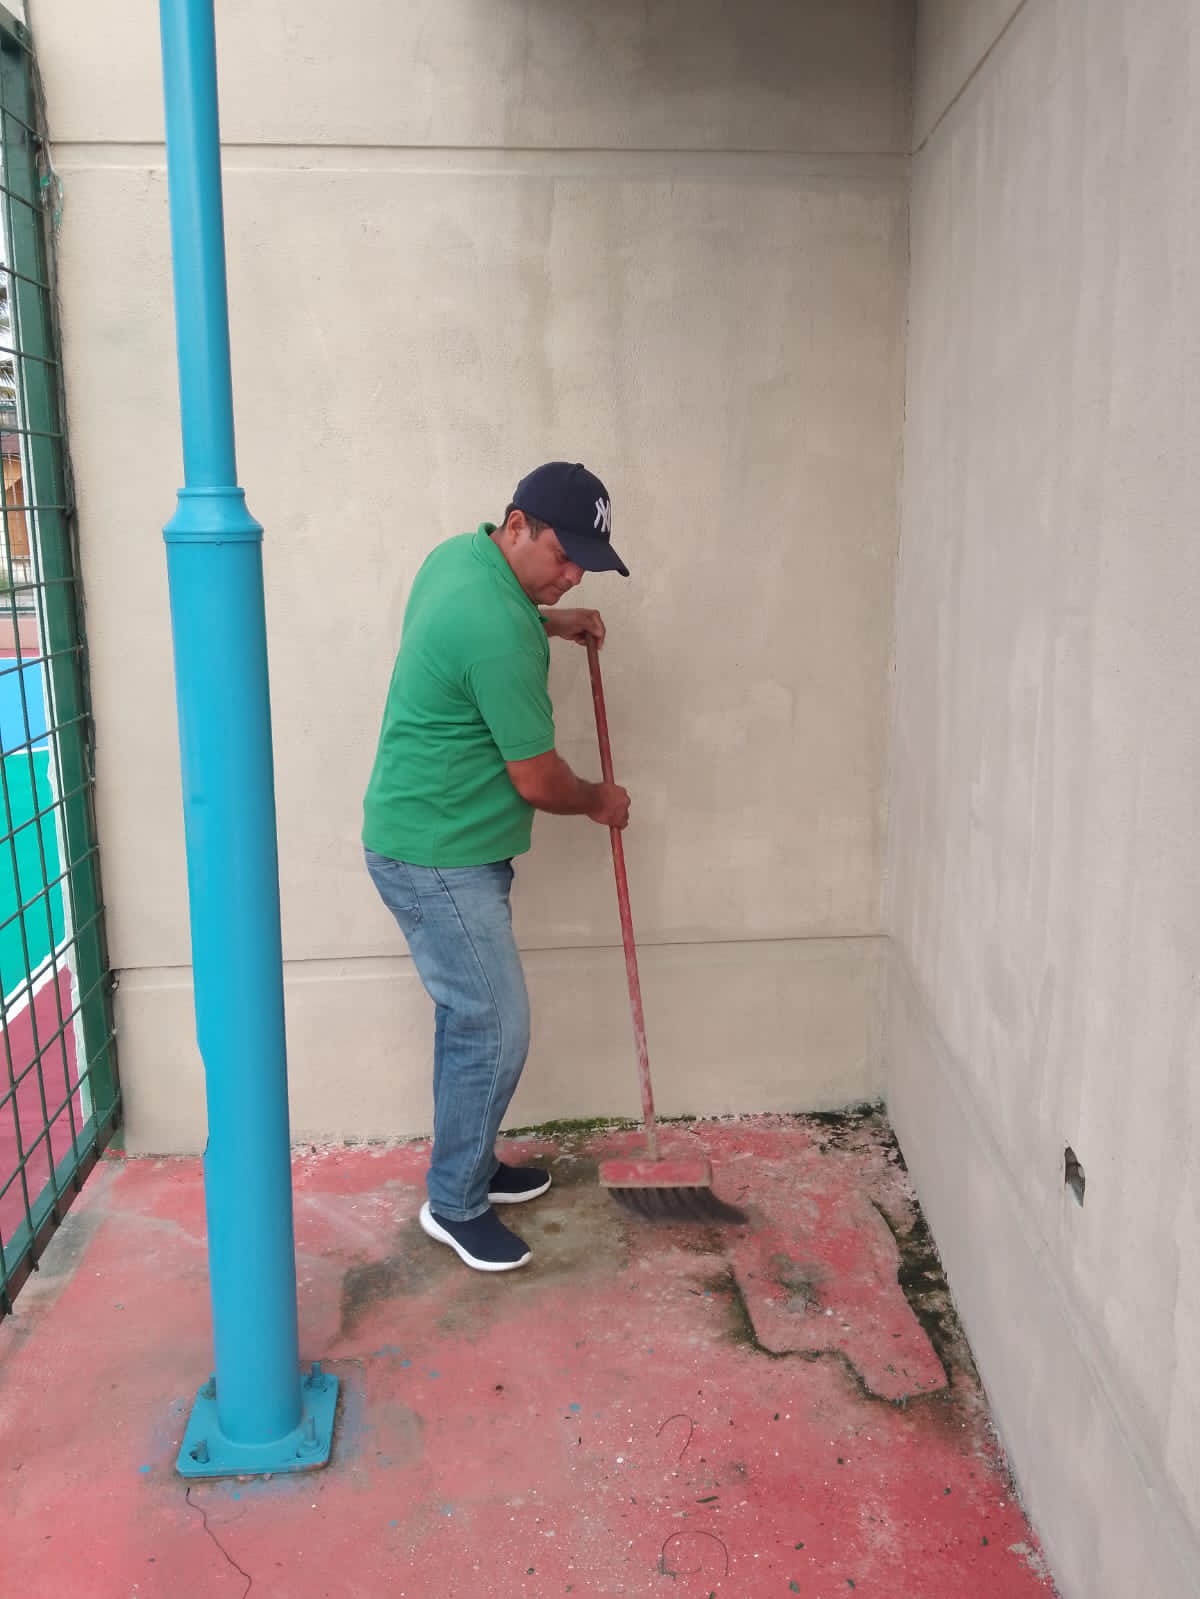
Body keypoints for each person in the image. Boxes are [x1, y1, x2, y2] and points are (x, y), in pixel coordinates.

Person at [363, 461, 631, 1272]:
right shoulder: (501, 631)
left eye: (586, 562)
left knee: (470, 1019)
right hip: (438, 856)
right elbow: (538, 779)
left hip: (429, 836)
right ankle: (454, 1203)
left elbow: (483, 626)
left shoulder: (460, 557)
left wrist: (554, 619)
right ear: (517, 526)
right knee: (495, 1026)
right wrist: (600, 800)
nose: (574, 573)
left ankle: (469, 1164)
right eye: (564, 555)